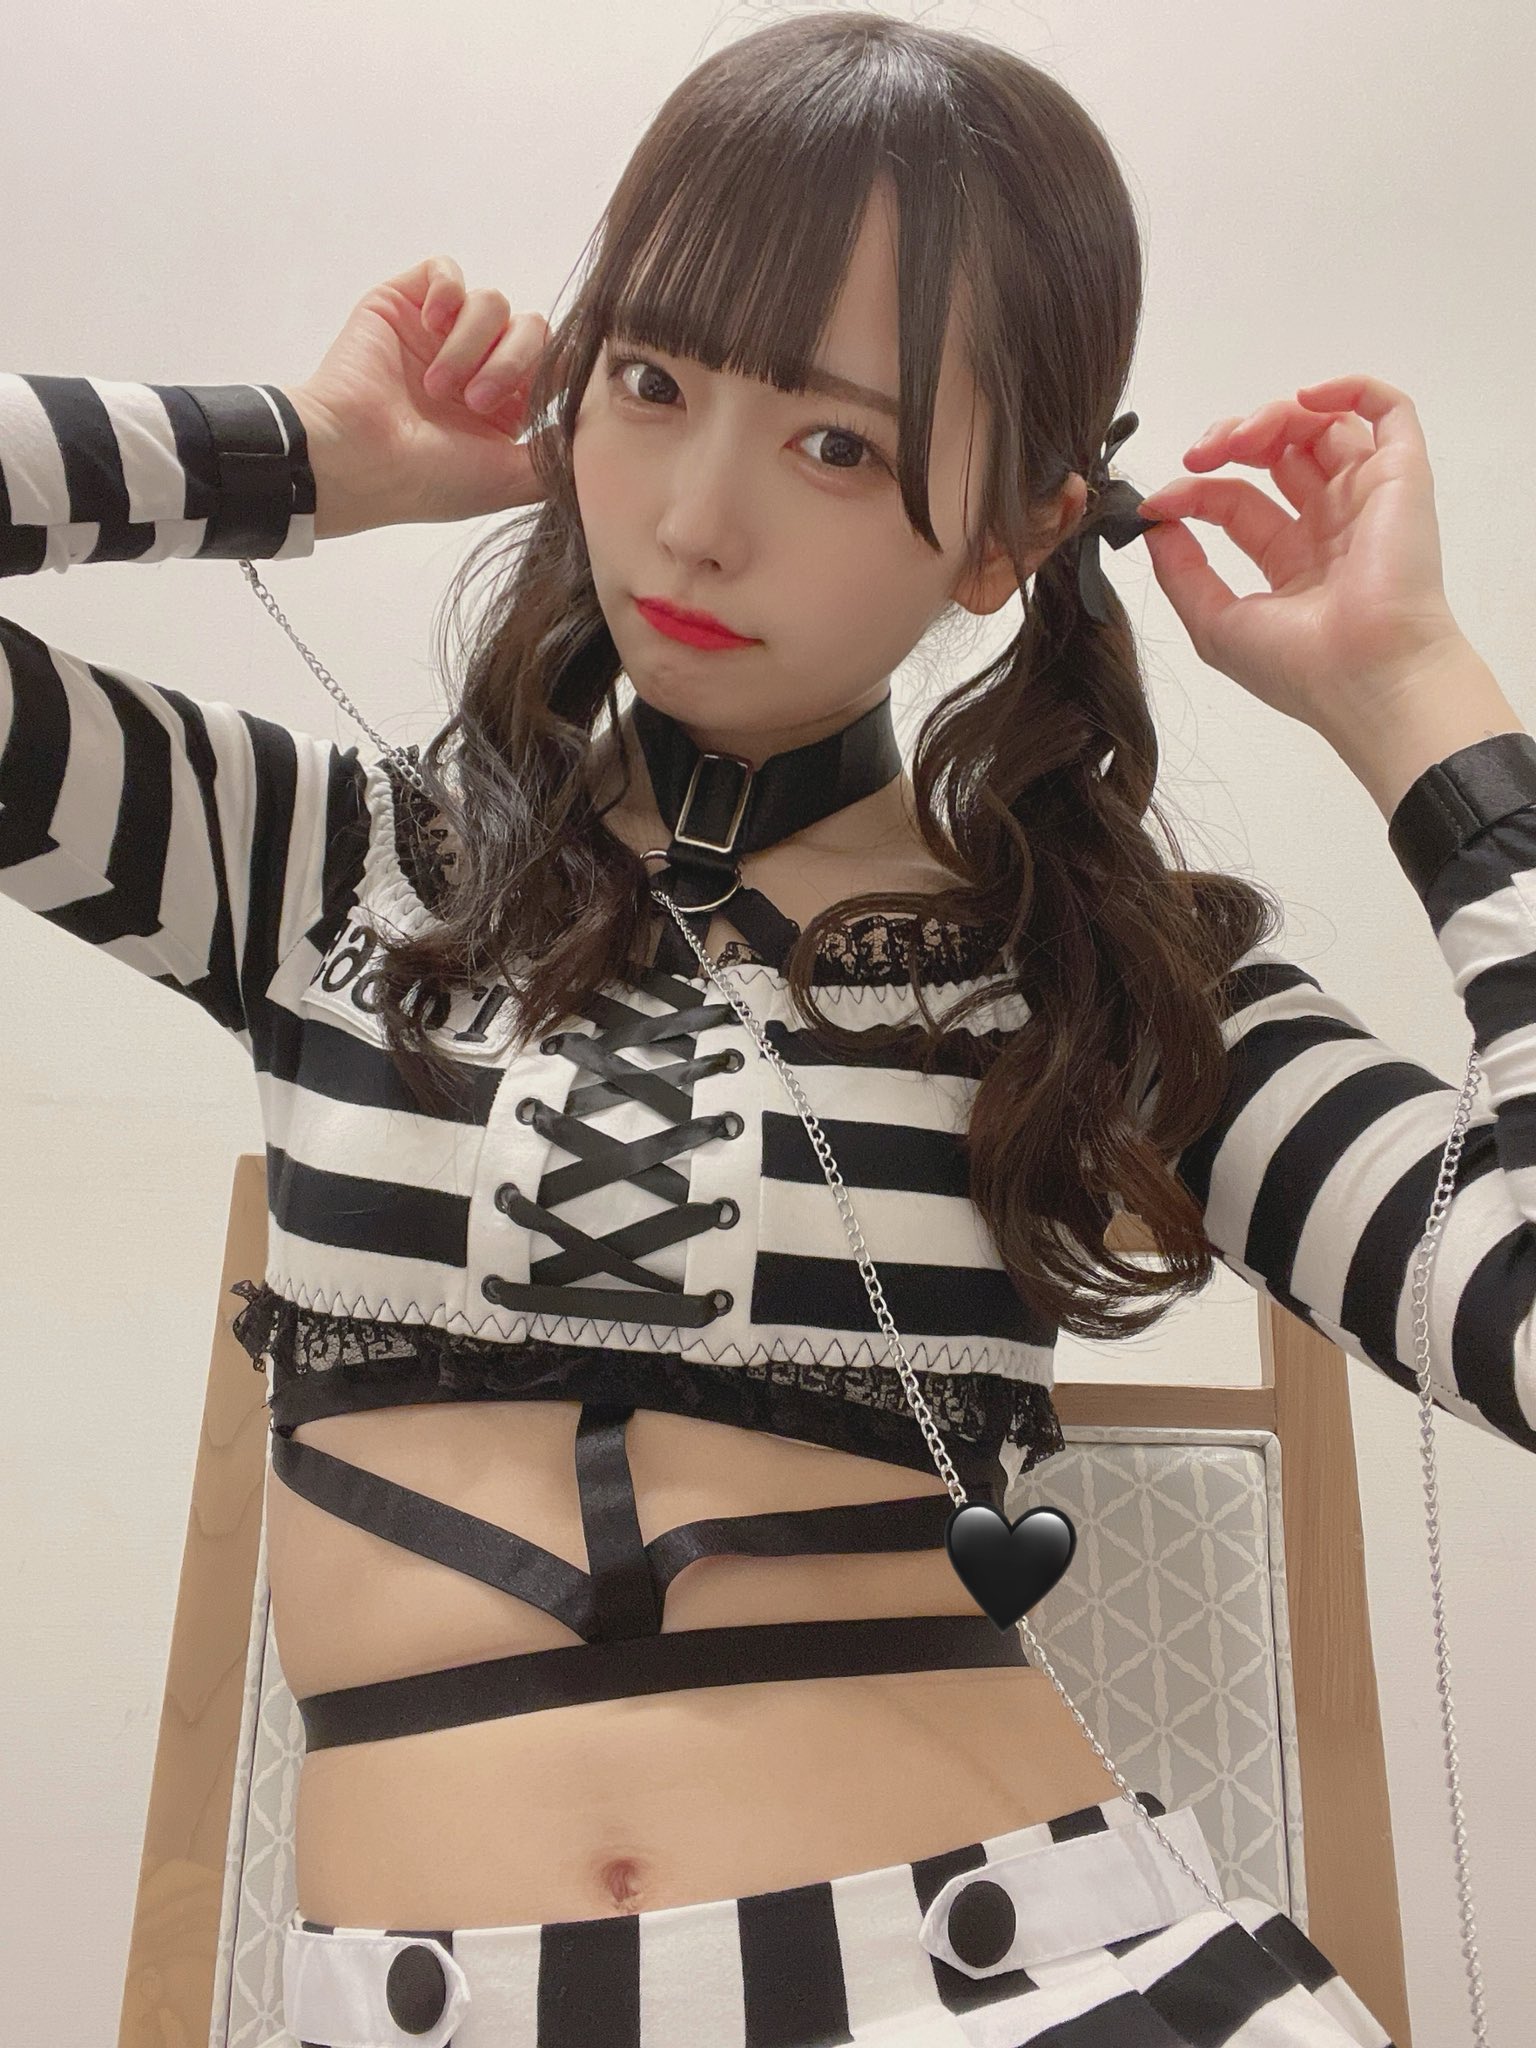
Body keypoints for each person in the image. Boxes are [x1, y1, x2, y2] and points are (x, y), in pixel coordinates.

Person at [3, 13, 1530, 2046]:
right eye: (650, 383)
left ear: (1013, 532)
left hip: (1018, 1990)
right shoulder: (322, 867)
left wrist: (1414, 695)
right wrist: (303, 454)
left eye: (838, 446)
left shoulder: (1092, 975)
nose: (693, 519)